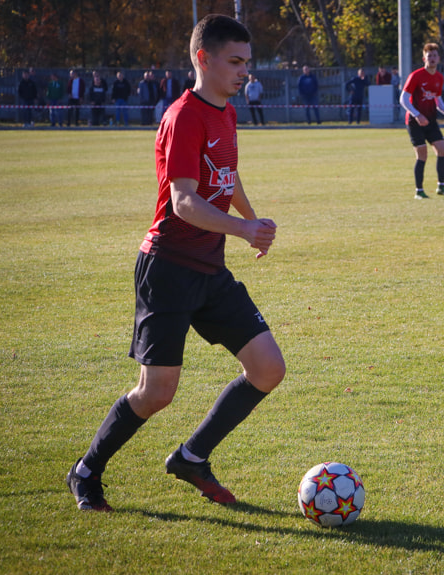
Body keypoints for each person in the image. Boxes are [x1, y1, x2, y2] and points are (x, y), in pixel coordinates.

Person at [66, 13, 284, 512]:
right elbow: (184, 201)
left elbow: (227, 174)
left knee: (268, 368)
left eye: (247, 62)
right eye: (235, 62)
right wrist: (243, 229)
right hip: (167, 269)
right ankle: (86, 470)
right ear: (202, 59)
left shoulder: (226, 111)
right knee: (157, 392)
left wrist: (254, 219)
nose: (244, 71)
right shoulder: (183, 116)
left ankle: (191, 457)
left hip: (209, 269)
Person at [400, 43, 444, 199]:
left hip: (430, 120)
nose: (432, 58)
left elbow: (437, 99)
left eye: (434, 56)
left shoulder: (439, 77)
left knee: (442, 150)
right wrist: (417, 115)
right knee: (422, 154)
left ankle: (441, 187)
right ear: (424, 58)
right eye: (429, 56)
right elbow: (403, 99)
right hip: (414, 121)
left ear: (438, 58)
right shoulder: (416, 76)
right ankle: (419, 191)